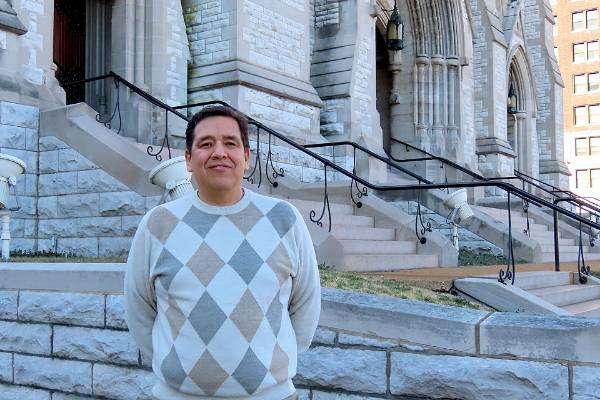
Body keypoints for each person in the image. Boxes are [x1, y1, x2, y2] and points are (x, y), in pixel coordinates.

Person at [125, 105, 321, 400]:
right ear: (188, 159)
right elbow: (140, 312)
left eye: (231, 143)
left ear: (246, 157)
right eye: (206, 144)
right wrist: (182, 371)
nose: (219, 152)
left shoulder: (284, 220)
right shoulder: (158, 225)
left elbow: (305, 309)